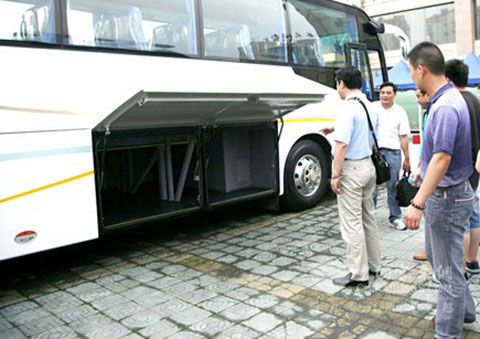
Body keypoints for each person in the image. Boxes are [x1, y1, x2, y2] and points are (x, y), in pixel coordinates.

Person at [405, 42, 475, 338]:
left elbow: (442, 158)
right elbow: (438, 155)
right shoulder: (445, 99)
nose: (411, 77)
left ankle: (447, 333)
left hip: (447, 197)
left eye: (411, 71)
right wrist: (422, 170)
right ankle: (466, 311)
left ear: (421, 70)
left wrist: (417, 203)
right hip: (447, 194)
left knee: (446, 273)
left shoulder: (445, 106)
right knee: (440, 259)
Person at [328, 66, 381, 287]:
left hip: (352, 170)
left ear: (341, 83)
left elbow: (342, 146)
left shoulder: (347, 109)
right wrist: (334, 128)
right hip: (369, 167)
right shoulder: (370, 105)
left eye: (337, 83)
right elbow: (363, 132)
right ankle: (374, 266)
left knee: (351, 223)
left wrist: (334, 175)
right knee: (368, 218)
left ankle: (357, 274)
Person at [445, 59, 480, 274]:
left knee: (461, 223)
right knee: (475, 215)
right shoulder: (476, 100)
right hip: (476, 171)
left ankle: (460, 269)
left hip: (460, 171)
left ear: (447, 79)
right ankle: (473, 261)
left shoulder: (454, 102)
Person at [373, 82, 411, 230]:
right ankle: (369, 219)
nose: (385, 95)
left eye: (388, 93)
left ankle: (395, 217)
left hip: (393, 153)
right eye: (382, 92)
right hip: (375, 154)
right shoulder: (373, 108)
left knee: (393, 188)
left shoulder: (400, 111)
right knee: (372, 188)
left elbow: (403, 137)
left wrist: (407, 158)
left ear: (395, 94)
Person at [412, 89, 430, 262]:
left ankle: (431, 252)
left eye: (418, 96)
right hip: (425, 164)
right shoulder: (427, 114)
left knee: (431, 213)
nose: (417, 100)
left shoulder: (436, 112)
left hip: (434, 170)